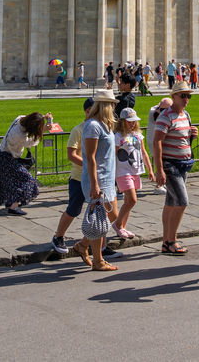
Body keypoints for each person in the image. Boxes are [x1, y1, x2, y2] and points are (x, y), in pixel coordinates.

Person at [151, 86, 197, 255]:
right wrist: (159, 169)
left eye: (188, 96)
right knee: (182, 201)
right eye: (183, 96)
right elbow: (157, 142)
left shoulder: (186, 115)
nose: (186, 99)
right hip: (170, 165)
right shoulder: (165, 116)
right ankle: (171, 241)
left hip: (183, 164)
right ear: (174, 96)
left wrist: (192, 134)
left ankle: (166, 242)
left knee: (171, 203)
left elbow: (183, 138)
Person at [50, 97, 94, 258]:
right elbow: (71, 154)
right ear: (88, 111)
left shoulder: (101, 129)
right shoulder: (78, 130)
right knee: (74, 209)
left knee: (98, 211)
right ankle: (58, 236)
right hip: (79, 176)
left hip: (96, 178)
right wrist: (90, 165)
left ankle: (99, 246)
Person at [81, 89, 119, 271]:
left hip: (106, 177)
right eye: (112, 104)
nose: (113, 107)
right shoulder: (93, 126)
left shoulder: (105, 125)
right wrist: (95, 183)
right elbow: (91, 156)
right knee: (100, 218)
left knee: (106, 217)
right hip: (97, 179)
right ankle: (98, 261)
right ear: (105, 106)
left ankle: (82, 246)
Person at [0, 112, 46, 216]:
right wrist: (43, 130)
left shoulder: (20, 119)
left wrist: (42, 118)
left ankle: (11, 204)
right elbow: (31, 143)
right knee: (27, 179)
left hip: (3, 155)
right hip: (6, 158)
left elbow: (31, 120)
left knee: (10, 182)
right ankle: (13, 207)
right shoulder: (20, 136)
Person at [112, 108, 147, 239]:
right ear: (122, 122)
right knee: (132, 199)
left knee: (128, 201)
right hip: (122, 171)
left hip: (135, 169)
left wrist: (150, 170)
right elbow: (113, 154)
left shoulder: (137, 134)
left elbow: (143, 152)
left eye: (134, 121)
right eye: (129, 122)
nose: (132, 124)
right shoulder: (118, 137)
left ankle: (122, 228)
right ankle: (118, 224)